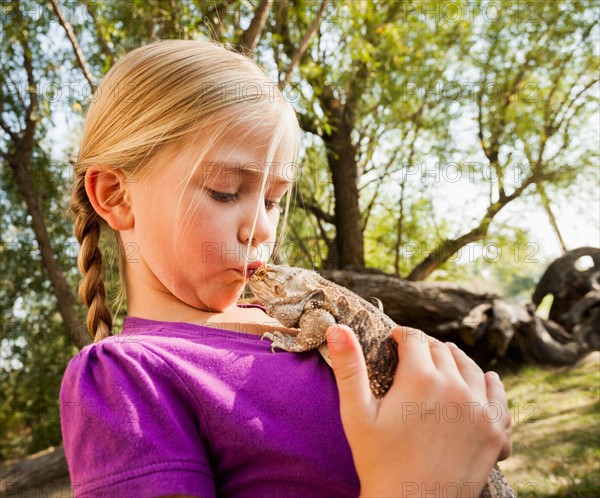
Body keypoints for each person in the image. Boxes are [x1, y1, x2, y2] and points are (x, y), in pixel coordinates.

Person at [60, 39, 511, 498]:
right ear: (116, 194)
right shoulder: (127, 379)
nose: (261, 229)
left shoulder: (291, 312)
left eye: (273, 200)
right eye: (224, 190)